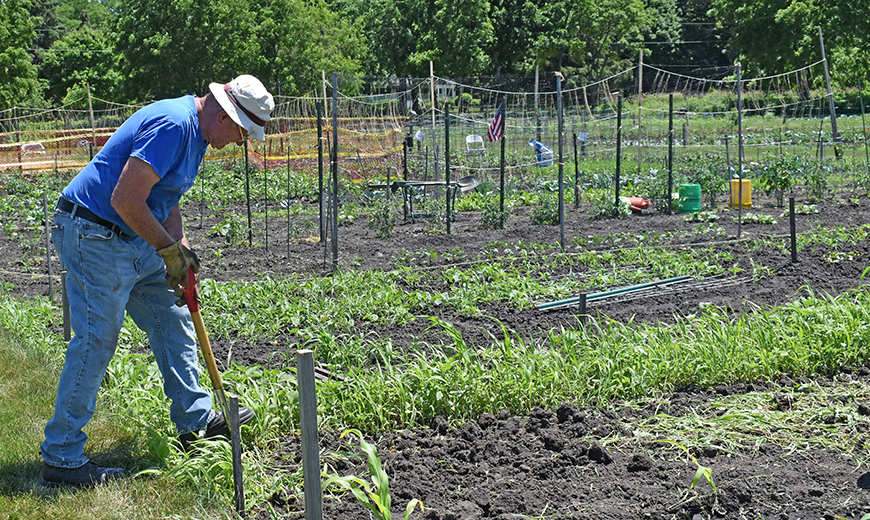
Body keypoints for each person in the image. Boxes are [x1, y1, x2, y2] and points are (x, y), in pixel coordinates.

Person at [41, 75, 274, 488]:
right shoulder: (174, 124)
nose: (238, 143)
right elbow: (125, 199)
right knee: (97, 338)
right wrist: (166, 250)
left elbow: (165, 200)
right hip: (94, 233)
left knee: (173, 315)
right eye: (240, 133)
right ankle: (62, 455)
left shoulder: (199, 135)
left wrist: (179, 254)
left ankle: (195, 421)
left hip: (131, 235)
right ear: (223, 115)